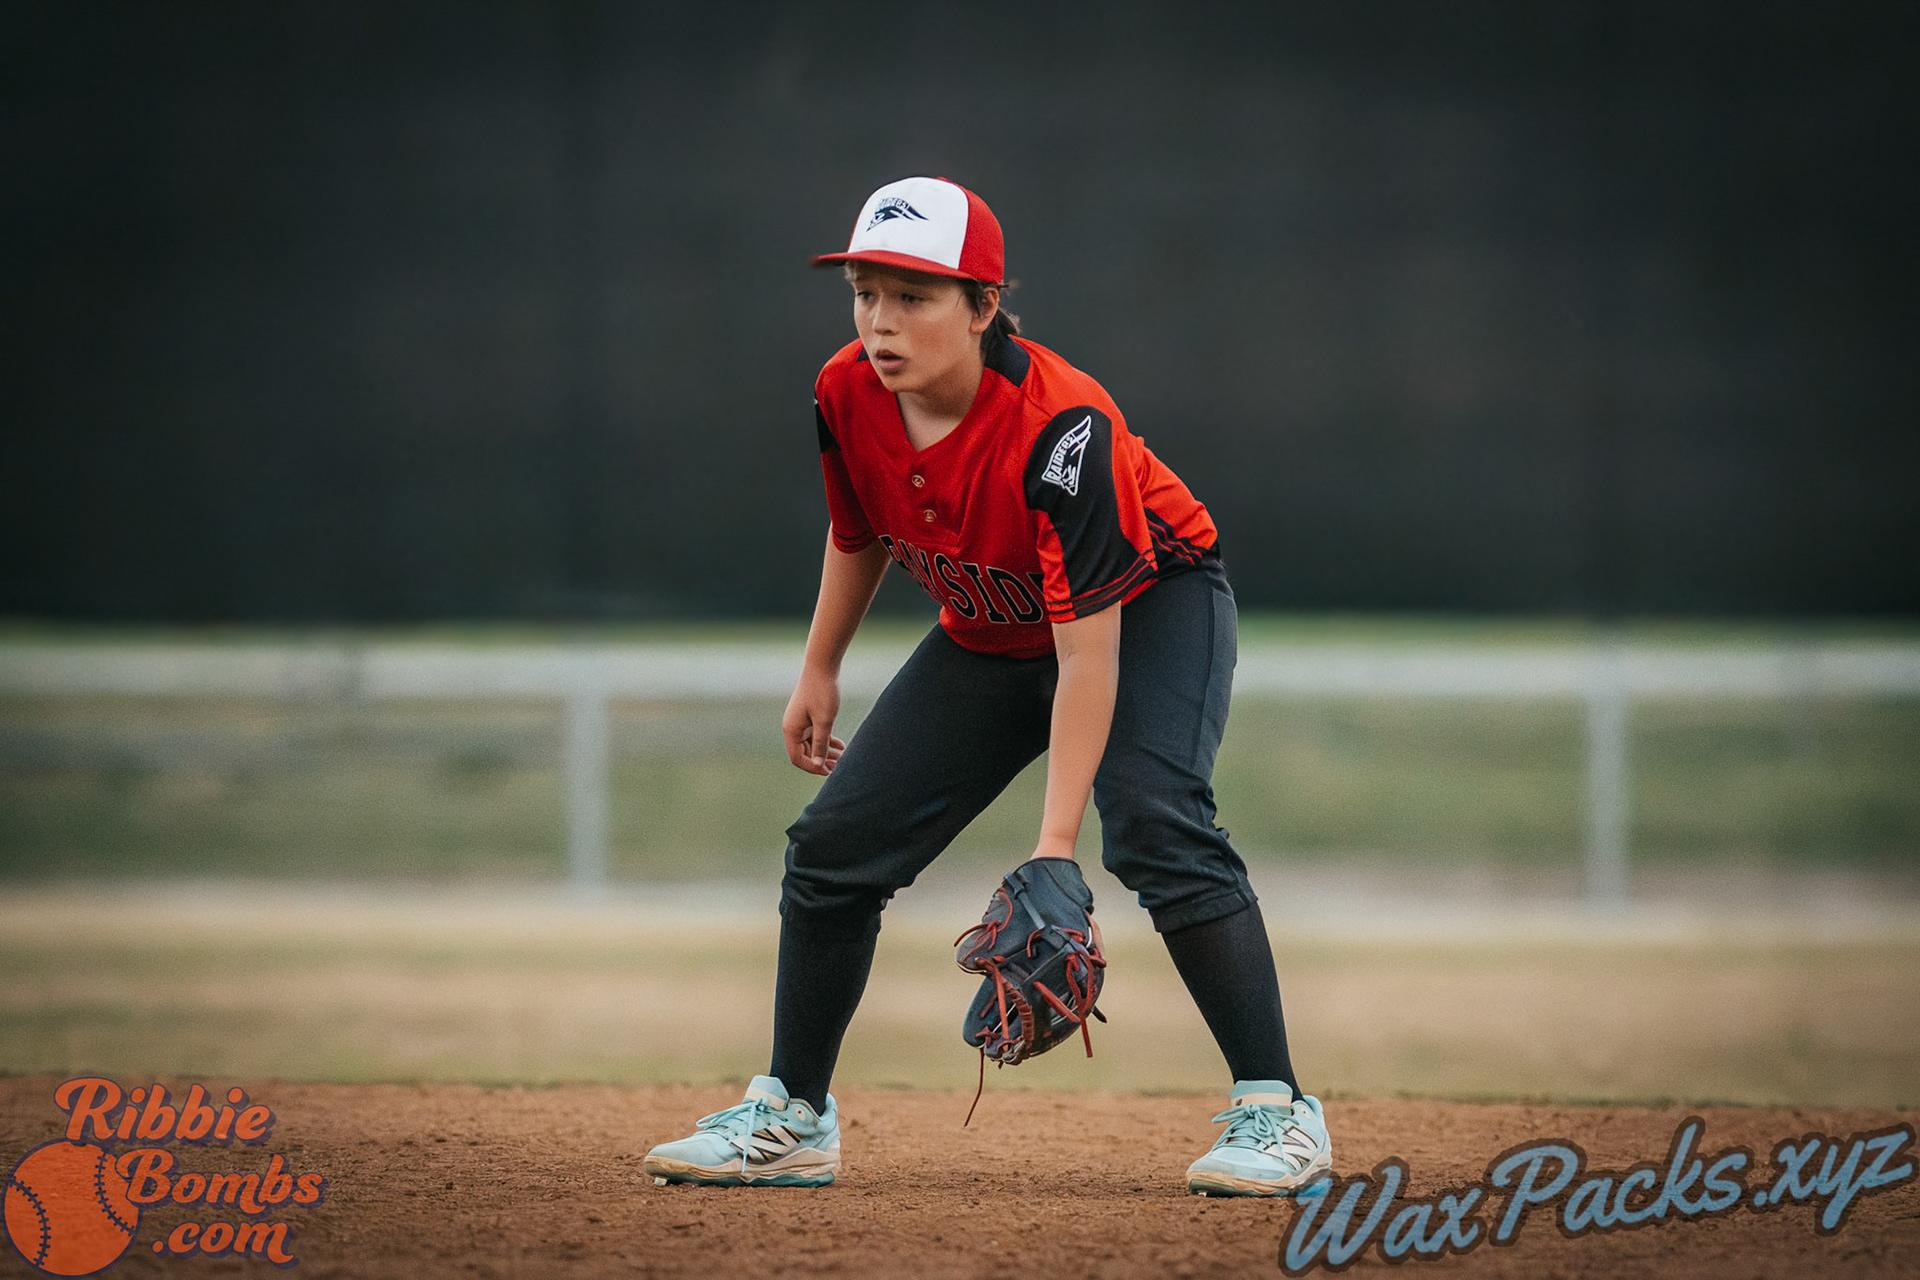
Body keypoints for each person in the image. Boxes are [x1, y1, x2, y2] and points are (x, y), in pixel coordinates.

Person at [642, 176, 1331, 1196]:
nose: (880, 321)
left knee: (1154, 820)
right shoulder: (844, 390)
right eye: (865, 293)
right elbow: (859, 530)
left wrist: (1054, 849)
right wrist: (820, 665)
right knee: (832, 850)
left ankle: (1279, 1111)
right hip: (995, 626)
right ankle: (793, 1112)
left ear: (983, 304)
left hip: (1151, 606)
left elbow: (1087, 655)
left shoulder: (1063, 426)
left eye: (913, 296)